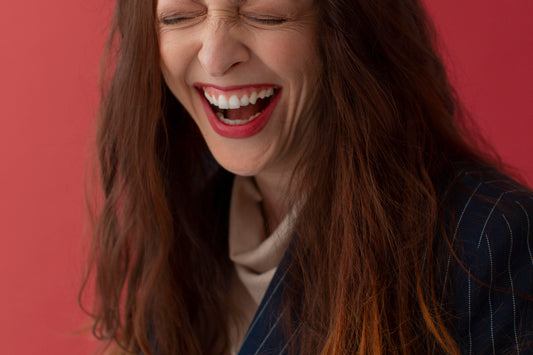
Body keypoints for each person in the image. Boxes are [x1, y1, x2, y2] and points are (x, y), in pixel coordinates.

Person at [82, 0, 533, 354]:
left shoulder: (490, 245)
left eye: (266, 14)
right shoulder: (178, 230)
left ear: (349, 26)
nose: (215, 57)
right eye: (180, 15)